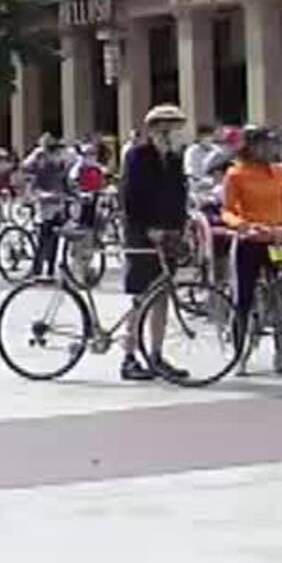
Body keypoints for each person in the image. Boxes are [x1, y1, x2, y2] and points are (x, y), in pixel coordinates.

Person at [118, 105, 191, 381]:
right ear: (153, 129)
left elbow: (179, 195)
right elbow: (129, 197)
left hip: (169, 234)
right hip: (142, 235)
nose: (169, 132)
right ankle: (129, 356)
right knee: (141, 296)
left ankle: (156, 355)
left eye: (174, 127)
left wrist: (181, 227)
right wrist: (147, 228)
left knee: (162, 296)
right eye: (164, 127)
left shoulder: (174, 159)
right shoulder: (137, 156)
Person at [220, 124, 282, 363]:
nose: (270, 149)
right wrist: (243, 226)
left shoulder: (281, 174)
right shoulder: (235, 174)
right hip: (249, 240)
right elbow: (227, 211)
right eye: (264, 144)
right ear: (250, 147)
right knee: (243, 296)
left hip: (277, 240)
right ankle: (239, 352)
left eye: (272, 144)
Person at [20, 132, 74, 277]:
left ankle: (46, 269)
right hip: (46, 199)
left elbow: (65, 180)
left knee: (51, 236)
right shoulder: (41, 157)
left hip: (54, 199)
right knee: (46, 236)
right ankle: (40, 268)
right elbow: (26, 169)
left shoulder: (57, 159)